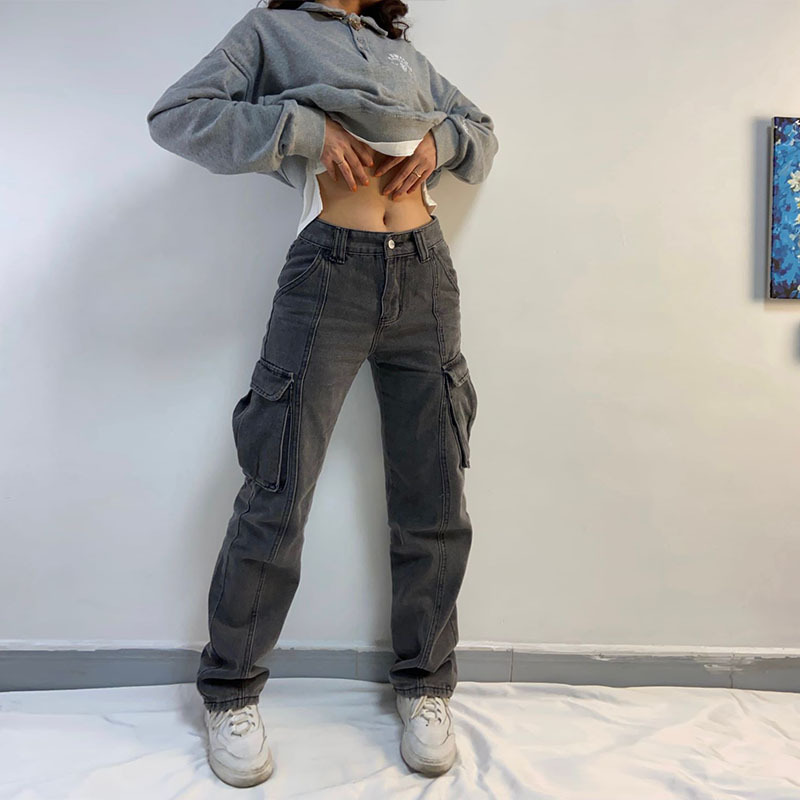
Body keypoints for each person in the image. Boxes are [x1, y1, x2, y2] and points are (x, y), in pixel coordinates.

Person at [146, 0, 498, 787]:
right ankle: (232, 691)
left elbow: (481, 131)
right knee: (277, 488)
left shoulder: (403, 56)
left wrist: (442, 141)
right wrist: (303, 130)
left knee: (436, 492)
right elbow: (177, 116)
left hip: (427, 273)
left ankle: (426, 685)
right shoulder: (271, 33)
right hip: (328, 273)